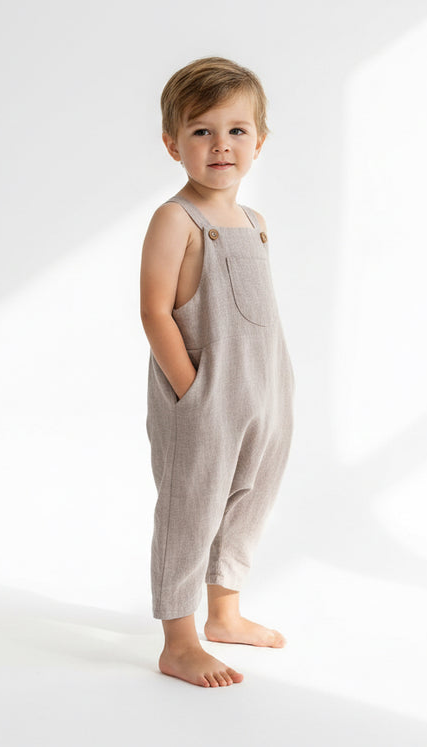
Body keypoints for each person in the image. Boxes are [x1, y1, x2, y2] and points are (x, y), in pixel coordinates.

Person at [139, 56, 296, 688]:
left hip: (265, 387)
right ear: (173, 144)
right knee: (190, 508)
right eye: (202, 130)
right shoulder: (177, 219)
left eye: (235, 130)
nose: (220, 145)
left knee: (248, 499)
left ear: (259, 140)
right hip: (204, 394)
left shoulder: (255, 224)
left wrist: (274, 386)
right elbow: (155, 311)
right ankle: (178, 639)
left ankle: (224, 614)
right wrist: (191, 391)